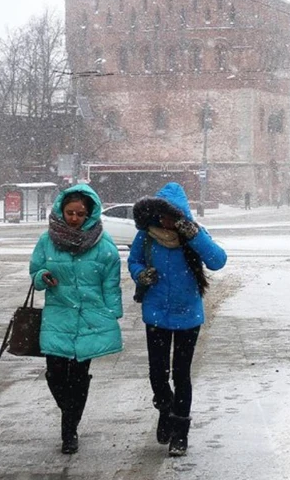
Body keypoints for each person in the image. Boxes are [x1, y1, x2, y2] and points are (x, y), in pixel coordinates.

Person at [128, 182, 227, 457]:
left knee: (181, 375)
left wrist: (193, 235)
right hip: (156, 314)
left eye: (172, 215)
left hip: (187, 316)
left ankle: (180, 432)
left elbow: (218, 260)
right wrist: (140, 274)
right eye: (162, 215)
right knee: (158, 374)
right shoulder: (146, 236)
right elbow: (133, 261)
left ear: (182, 214)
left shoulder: (194, 236)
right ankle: (165, 409)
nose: (166, 221)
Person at [29, 184, 123, 455]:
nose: (74, 218)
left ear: (89, 213)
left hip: (90, 318)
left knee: (79, 378)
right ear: (61, 210)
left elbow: (110, 283)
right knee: (54, 374)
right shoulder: (47, 240)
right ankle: (70, 412)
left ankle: (69, 431)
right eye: (70, 212)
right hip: (58, 316)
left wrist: (112, 314)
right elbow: (36, 270)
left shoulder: (103, 244)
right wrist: (41, 277)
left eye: (80, 214)